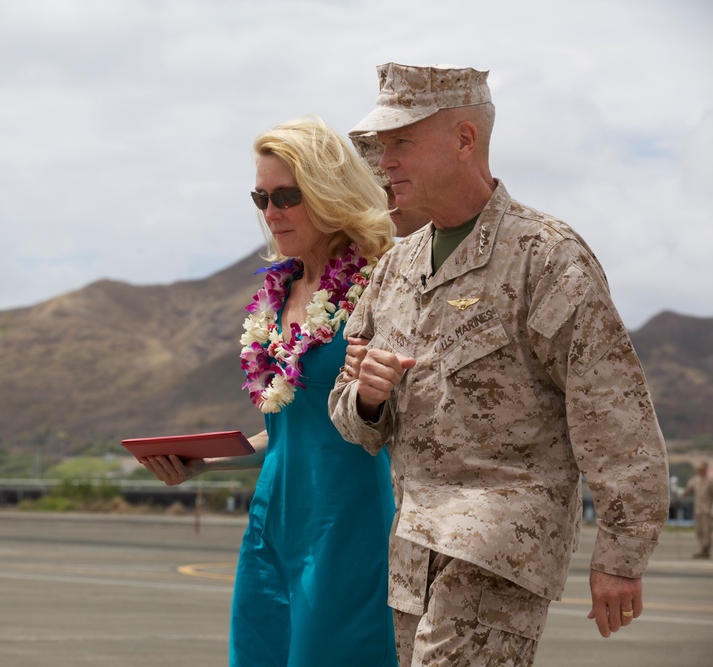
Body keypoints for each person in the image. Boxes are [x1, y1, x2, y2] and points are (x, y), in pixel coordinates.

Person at [328, 63, 670, 666]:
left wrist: (621, 553)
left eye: (402, 141)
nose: (385, 162)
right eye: (380, 147)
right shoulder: (394, 267)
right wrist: (368, 397)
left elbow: (614, 414)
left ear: (465, 140)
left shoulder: (545, 256)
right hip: (414, 551)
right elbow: (351, 418)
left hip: (498, 550)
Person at [141, 115, 399, 666]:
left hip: (347, 526)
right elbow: (290, 434)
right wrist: (202, 463)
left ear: (330, 192)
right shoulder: (279, 294)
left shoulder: (381, 284)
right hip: (271, 530)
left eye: (287, 195)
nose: (271, 212)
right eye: (260, 197)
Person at [682, 461, 712, 558]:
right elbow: (688, 491)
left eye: (702, 469)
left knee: (706, 530)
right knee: (699, 531)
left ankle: (705, 550)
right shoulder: (695, 480)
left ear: (705, 469)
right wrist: (683, 494)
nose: (700, 470)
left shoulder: (710, 481)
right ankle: (703, 549)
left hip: (707, 510)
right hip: (697, 510)